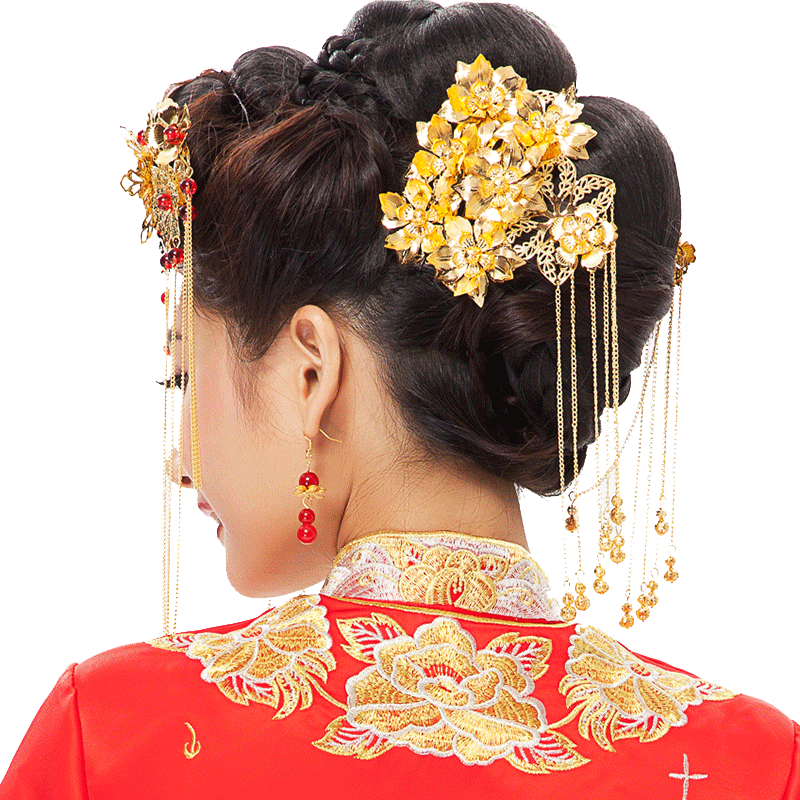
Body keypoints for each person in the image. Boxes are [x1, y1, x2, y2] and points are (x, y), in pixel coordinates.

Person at [2, 1, 797, 796]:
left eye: (183, 375)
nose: (180, 460)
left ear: (311, 369)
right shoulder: (753, 764)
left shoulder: (114, 732)